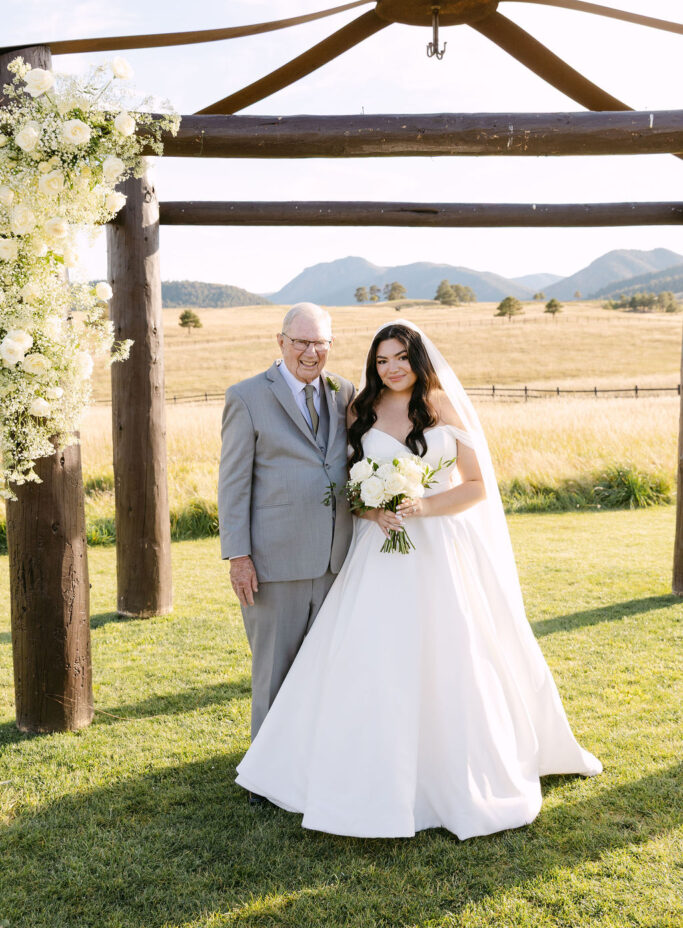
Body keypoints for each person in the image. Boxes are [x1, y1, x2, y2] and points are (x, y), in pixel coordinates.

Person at [235, 319, 602, 839]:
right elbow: (347, 486)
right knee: (372, 658)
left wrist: (423, 505)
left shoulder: (442, 407)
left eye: (400, 358)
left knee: (453, 655)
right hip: (379, 552)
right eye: (382, 360)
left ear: (418, 359)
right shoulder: (359, 408)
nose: (392, 368)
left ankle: (455, 772)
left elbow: (475, 486)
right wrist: (372, 512)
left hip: (441, 549)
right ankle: (357, 768)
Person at [218, 302, 355, 768]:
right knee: (274, 672)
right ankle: (268, 769)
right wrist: (239, 556)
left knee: (329, 669)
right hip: (273, 562)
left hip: (338, 559)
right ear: (281, 342)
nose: (311, 352)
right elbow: (233, 483)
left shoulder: (345, 393)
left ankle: (316, 760)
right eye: (301, 342)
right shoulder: (247, 396)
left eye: (320, 343)